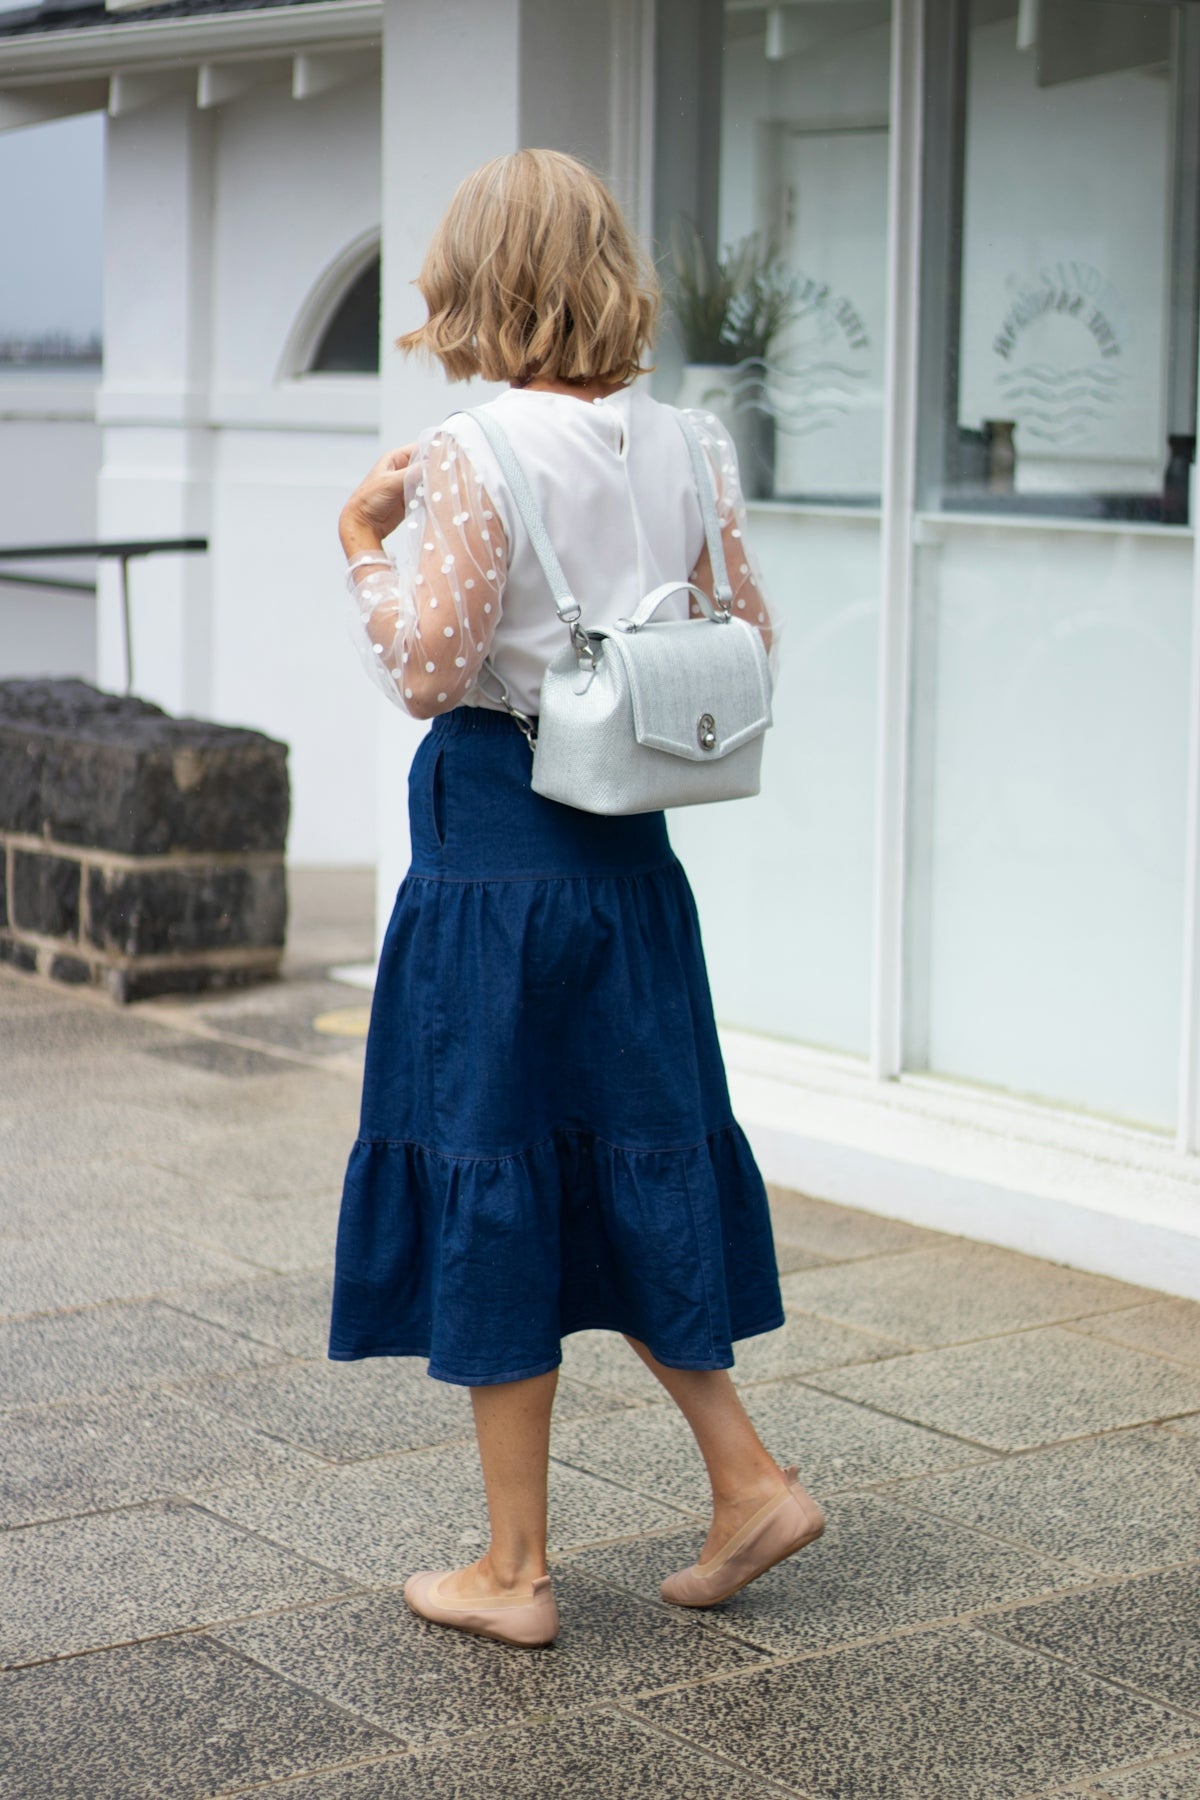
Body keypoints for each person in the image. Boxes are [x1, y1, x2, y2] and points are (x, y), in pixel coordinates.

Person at [328, 148, 824, 1649]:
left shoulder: (474, 451)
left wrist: (363, 548)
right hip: (629, 864)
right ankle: (745, 1482)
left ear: (484, 282)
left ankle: (515, 1571)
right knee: (626, 1160)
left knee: (496, 1172)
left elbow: (427, 669)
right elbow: (751, 640)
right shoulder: (695, 443)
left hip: (499, 860)